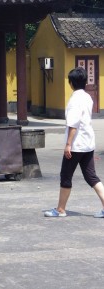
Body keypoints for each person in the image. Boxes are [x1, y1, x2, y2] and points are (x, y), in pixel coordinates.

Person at [44, 67, 104, 218]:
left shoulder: (74, 100)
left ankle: (60, 209)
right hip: (88, 143)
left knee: (66, 175)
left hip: (76, 145)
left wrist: (68, 144)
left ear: (71, 83)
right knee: (91, 177)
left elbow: (73, 124)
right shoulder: (88, 97)